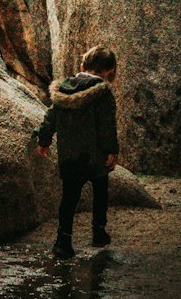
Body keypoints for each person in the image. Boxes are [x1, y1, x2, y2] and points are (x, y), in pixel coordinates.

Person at [34, 46, 119, 258]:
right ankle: (98, 233)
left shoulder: (63, 89)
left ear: (82, 66)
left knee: (69, 198)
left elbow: (50, 118)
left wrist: (44, 140)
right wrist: (112, 150)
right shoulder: (103, 92)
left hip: (69, 155)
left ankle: (63, 241)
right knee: (100, 193)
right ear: (109, 70)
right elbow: (107, 125)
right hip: (95, 155)